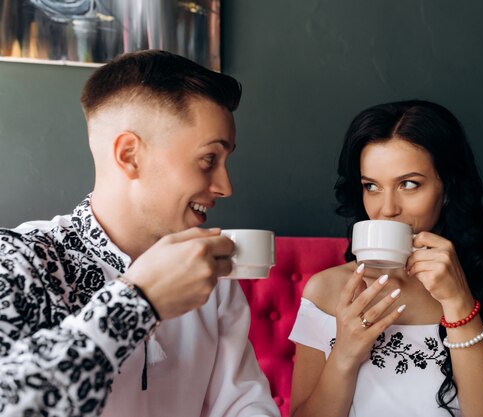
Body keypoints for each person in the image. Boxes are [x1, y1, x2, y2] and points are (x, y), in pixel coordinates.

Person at [0, 50, 280, 417]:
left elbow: (244, 405)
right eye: (209, 159)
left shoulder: (212, 271)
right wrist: (140, 301)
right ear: (130, 155)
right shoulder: (20, 260)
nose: (226, 186)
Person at [288, 100, 483, 417]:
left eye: (409, 184)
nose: (387, 209)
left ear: (449, 188)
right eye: (371, 186)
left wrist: (459, 303)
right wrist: (344, 354)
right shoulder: (327, 290)